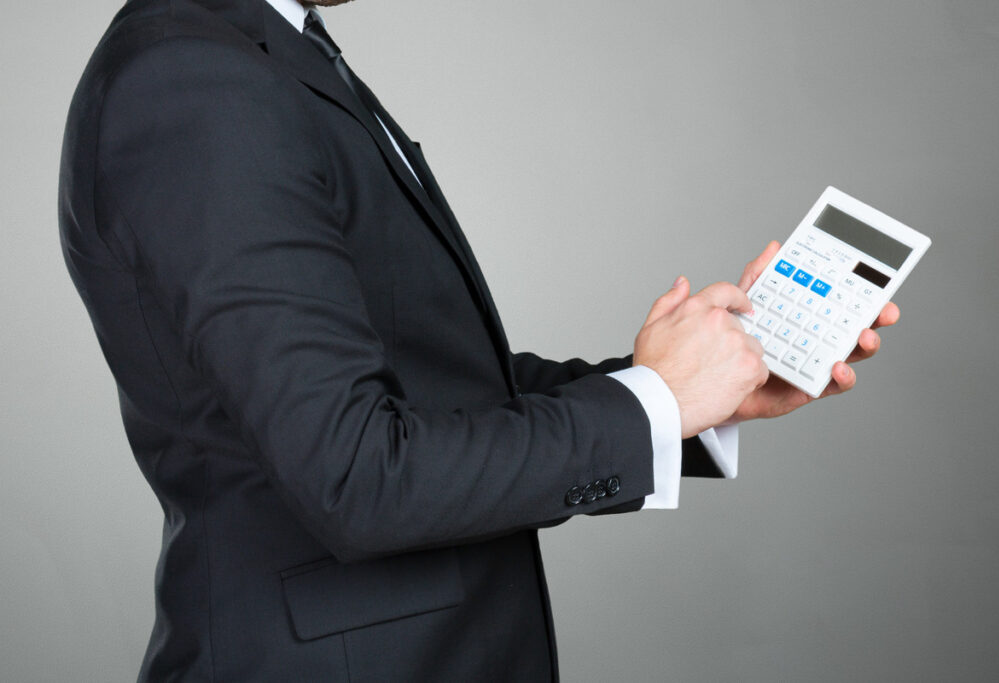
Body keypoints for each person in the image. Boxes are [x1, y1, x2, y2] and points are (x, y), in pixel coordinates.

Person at [58, 0, 898, 679]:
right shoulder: (195, 79)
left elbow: (432, 382)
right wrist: (657, 400)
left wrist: (699, 394)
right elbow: (356, 474)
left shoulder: (271, 51)